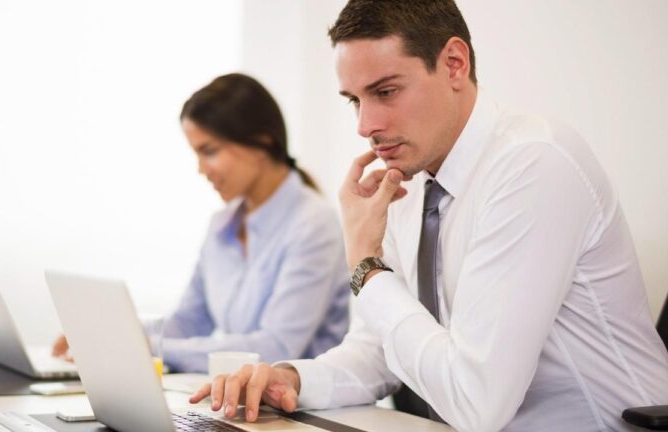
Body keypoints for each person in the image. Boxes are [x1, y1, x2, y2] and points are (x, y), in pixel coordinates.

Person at [188, 1, 668, 431]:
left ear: (454, 64)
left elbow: (477, 405)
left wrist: (366, 265)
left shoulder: (532, 165)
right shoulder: (411, 185)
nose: (365, 126)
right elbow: (377, 354)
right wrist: (291, 377)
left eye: (386, 92)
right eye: (355, 100)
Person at [53, 73, 350, 373]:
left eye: (209, 151)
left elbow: (276, 348)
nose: (200, 169)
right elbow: (190, 321)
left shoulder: (314, 224)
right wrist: (112, 337)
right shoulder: (222, 225)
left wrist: (152, 347)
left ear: (262, 142)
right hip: (247, 403)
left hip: (307, 412)